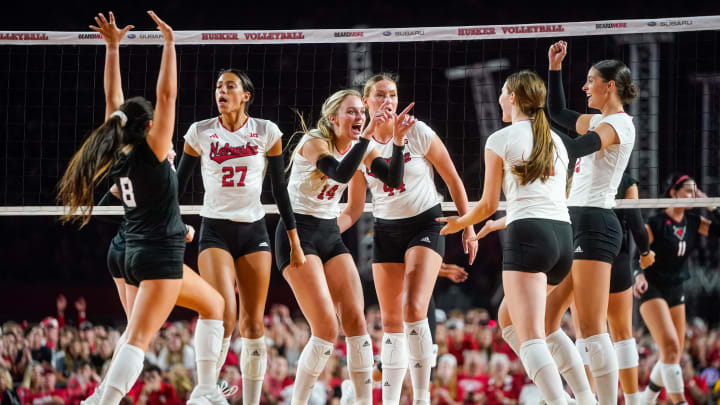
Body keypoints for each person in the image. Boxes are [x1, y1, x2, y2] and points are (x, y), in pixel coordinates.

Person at [57, 11, 227, 405]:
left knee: (213, 304)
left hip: (130, 250)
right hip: (156, 256)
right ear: (149, 126)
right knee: (138, 339)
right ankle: (105, 401)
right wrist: (170, 44)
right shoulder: (152, 151)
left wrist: (113, 48)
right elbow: (167, 96)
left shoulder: (116, 149)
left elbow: (112, 102)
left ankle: (203, 390)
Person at [439, 70, 586, 405]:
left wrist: (462, 223)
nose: (499, 98)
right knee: (509, 320)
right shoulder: (557, 142)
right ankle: (584, 397)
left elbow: (489, 203)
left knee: (533, 335)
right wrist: (494, 225)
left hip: (528, 239)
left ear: (515, 98)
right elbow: (544, 202)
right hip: (562, 238)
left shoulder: (500, 139)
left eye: (503, 92)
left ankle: (563, 402)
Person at [338, 74, 478, 405]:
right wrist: (324, 230)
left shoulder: (417, 131)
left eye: (393, 94)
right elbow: (354, 208)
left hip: (426, 224)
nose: (388, 100)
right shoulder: (361, 147)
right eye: (380, 95)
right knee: (390, 322)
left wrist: (469, 226)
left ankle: (421, 397)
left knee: (414, 307)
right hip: (386, 230)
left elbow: (453, 179)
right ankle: (388, 400)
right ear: (367, 101)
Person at [176, 67, 306, 405]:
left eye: (230, 86)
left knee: (252, 323)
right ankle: (206, 391)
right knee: (222, 310)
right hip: (214, 228)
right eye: (218, 86)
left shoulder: (266, 131)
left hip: (254, 230)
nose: (222, 91)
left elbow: (280, 190)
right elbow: (175, 186)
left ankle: (250, 401)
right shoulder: (200, 132)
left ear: (246, 95)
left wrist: (294, 241)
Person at [275, 89, 408, 405]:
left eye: (362, 112)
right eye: (352, 112)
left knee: (357, 323)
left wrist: (398, 142)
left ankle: (362, 401)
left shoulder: (362, 148)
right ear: (332, 118)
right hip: (296, 233)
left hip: (328, 232)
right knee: (325, 328)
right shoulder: (313, 142)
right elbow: (339, 171)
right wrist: (368, 140)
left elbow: (389, 180)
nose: (360, 117)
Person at [541, 40, 639, 405]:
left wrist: (539, 152)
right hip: (574, 220)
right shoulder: (598, 119)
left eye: (590, 80)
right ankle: (580, 399)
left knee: (592, 327)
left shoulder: (620, 125)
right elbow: (556, 111)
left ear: (609, 86)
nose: (585, 86)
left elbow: (583, 146)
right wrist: (554, 68)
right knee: (547, 321)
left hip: (597, 223)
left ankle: (607, 401)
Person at [634, 174, 720, 405]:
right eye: (688, 191)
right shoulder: (657, 222)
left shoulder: (692, 222)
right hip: (652, 288)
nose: (692, 196)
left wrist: (708, 202)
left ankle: (645, 401)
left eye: (695, 191)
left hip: (676, 287)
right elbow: (639, 251)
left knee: (673, 354)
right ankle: (679, 401)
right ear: (673, 192)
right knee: (671, 346)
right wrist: (638, 274)